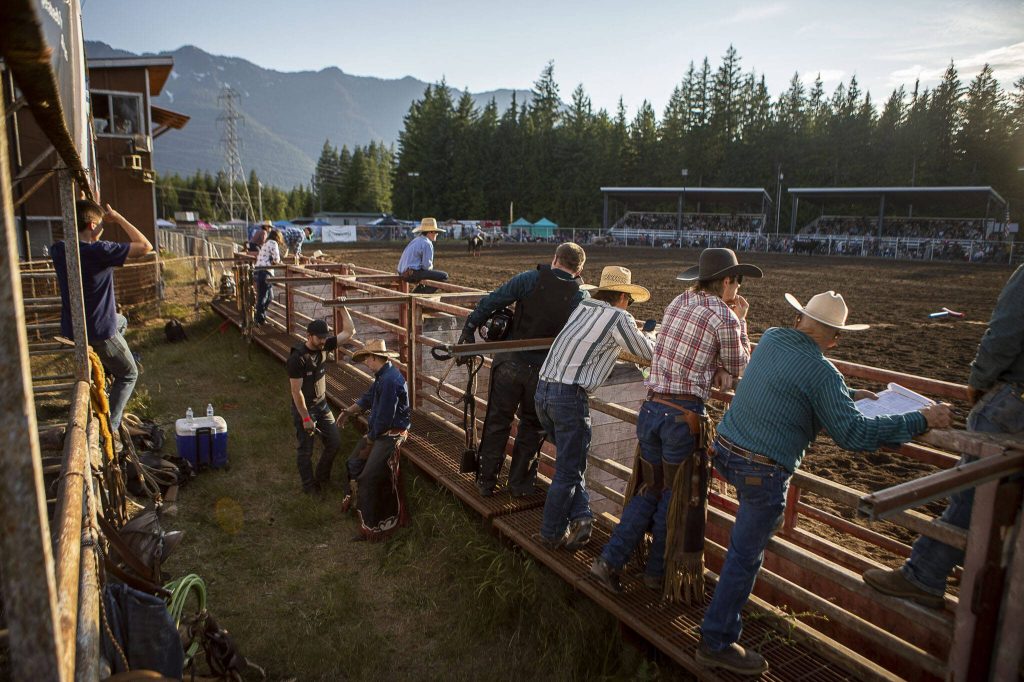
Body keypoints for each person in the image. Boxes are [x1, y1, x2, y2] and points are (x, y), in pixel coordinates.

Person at [696, 291, 952, 676]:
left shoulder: (770, 339)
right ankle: (715, 642)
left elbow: (793, 383)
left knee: (748, 540)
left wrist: (846, 395)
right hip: (761, 469)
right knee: (743, 558)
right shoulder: (822, 371)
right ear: (834, 338)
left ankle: (729, 599)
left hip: (727, 449)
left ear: (800, 319)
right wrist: (922, 421)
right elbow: (853, 433)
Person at [592, 249, 762, 601]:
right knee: (676, 497)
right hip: (682, 417)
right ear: (727, 281)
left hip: (653, 408)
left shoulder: (678, 301)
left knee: (649, 489)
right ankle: (656, 574)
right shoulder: (725, 316)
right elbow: (739, 363)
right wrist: (741, 319)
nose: (739, 288)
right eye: (738, 281)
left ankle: (609, 561)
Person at [863, 263, 1024, 608]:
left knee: (972, 491)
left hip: (1014, 399)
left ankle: (924, 573)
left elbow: (1003, 335)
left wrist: (978, 383)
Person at [534, 266, 656, 550]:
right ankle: (551, 533)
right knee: (569, 468)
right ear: (624, 297)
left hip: (543, 389)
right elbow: (648, 353)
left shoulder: (584, 307)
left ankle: (582, 516)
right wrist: (647, 335)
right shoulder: (619, 317)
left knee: (570, 461)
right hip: (568, 396)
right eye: (630, 300)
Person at [458, 243, 590, 498]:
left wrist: (469, 329)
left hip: (510, 363)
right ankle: (519, 485)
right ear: (580, 269)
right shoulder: (580, 297)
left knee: (498, 420)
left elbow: (492, 301)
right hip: (544, 372)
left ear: (555, 259)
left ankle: (486, 481)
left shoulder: (530, 279)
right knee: (532, 427)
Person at [51, 200, 153, 432]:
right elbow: (145, 245)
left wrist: (95, 226)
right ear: (92, 224)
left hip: (74, 329)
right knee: (129, 373)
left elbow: (83, 238)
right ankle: (110, 426)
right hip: (99, 332)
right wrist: (117, 218)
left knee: (122, 320)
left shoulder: (60, 250)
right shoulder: (99, 252)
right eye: (99, 226)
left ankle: (105, 368)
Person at [339, 339, 412, 541]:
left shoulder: (389, 380)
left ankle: (375, 528)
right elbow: (368, 398)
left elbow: (386, 418)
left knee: (369, 477)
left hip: (392, 432)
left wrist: (370, 440)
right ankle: (359, 510)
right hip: (380, 430)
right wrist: (348, 412)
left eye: (366, 359)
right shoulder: (383, 376)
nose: (365, 363)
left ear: (374, 358)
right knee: (353, 461)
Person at [286, 313, 356, 494]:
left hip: (322, 405)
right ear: (309, 336)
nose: (323, 341)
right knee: (306, 449)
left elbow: (349, 331)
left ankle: (322, 477)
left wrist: (341, 306)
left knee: (334, 442)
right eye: (319, 337)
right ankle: (309, 487)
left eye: (325, 337)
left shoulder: (324, 345)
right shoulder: (298, 358)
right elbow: (296, 391)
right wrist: (306, 418)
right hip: (306, 408)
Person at [397, 217, 448, 292]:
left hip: (402, 272)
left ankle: (415, 295)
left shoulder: (416, 240)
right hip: (411, 274)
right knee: (444, 276)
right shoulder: (427, 243)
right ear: (430, 232)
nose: (437, 234)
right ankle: (417, 295)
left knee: (429, 274)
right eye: (436, 232)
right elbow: (426, 266)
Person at [254, 228, 284, 324]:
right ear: (278, 237)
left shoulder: (266, 243)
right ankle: (259, 319)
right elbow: (277, 258)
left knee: (269, 296)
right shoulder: (273, 243)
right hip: (265, 272)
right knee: (263, 297)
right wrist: (279, 261)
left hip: (260, 271)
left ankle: (260, 316)